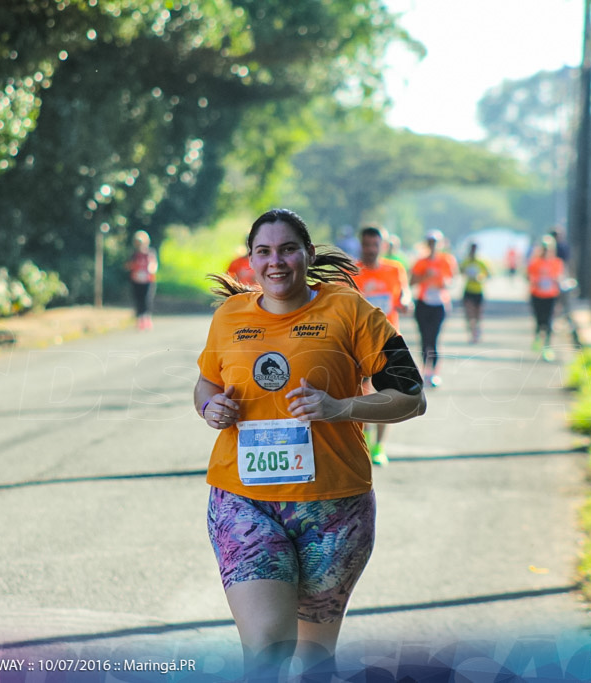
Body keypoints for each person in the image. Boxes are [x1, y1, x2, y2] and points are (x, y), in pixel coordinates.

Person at [194, 208, 426, 681]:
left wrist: (340, 408)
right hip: (245, 500)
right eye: (263, 251)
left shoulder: (350, 310)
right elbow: (205, 383)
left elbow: (411, 396)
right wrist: (209, 407)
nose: (275, 261)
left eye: (287, 249)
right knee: (266, 648)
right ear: (251, 260)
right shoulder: (230, 316)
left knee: (315, 659)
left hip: (334, 508)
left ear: (308, 255)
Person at [351, 225, 412, 467]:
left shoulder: (394, 269)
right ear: (361, 245)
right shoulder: (352, 272)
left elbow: (404, 294)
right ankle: (363, 439)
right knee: (363, 394)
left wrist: (407, 303)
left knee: (389, 396)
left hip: (389, 340)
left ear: (382, 246)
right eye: (366, 245)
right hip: (360, 342)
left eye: (375, 245)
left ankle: (379, 446)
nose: (370, 250)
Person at [409, 229, 457, 387]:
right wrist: (425, 277)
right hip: (423, 303)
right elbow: (412, 282)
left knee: (434, 339)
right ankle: (425, 371)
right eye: (430, 242)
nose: (433, 245)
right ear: (427, 244)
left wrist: (444, 283)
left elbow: (452, 280)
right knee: (424, 338)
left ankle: (434, 373)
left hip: (439, 304)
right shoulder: (420, 262)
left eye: (435, 242)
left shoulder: (447, 260)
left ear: (441, 244)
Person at [527, 235, 565, 361]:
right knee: (539, 320)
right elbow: (528, 276)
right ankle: (538, 337)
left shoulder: (557, 262)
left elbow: (559, 277)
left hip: (550, 295)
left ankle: (547, 346)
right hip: (537, 294)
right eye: (544, 248)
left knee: (548, 321)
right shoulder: (535, 262)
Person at [458, 242, 491, 344]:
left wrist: (480, 277)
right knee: (470, 314)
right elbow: (460, 270)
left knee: (477, 316)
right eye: (471, 249)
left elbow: (488, 274)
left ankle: (477, 331)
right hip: (468, 290)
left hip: (479, 291)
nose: (473, 251)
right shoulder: (466, 261)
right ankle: (473, 334)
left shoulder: (481, 261)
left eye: (475, 249)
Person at [125, 230, 158, 330]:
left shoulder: (150, 253)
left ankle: (147, 318)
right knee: (138, 299)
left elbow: (154, 264)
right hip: (136, 280)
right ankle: (139, 319)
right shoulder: (134, 255)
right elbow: (128, 265)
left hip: (148, 280)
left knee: (147, 299)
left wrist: (151, 268)